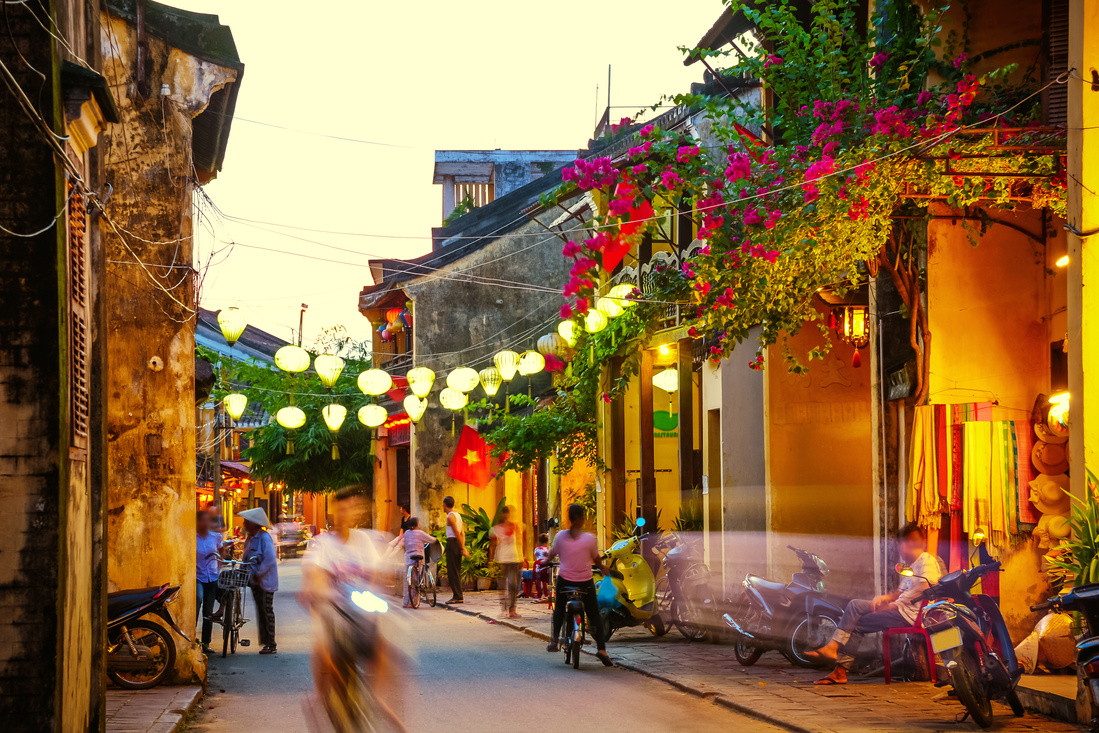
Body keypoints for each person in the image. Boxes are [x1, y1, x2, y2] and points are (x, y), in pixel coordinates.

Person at [300, 486, 405, 731]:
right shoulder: (321, 544)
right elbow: (313, 574)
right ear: (334, 511)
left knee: (385, 645)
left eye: (353, 508)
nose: (348, 513)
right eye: (343, 508)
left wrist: (384, 577)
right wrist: (315, 588)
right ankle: (320, 697)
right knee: (324, 647)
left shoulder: (365, 540)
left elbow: (378, 571)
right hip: (331, 608)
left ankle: (379, 698)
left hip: (359, 609)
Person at [809, 522, 942, 684]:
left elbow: (927, 585)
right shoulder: (911, 566)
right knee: (855, 608)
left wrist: (896, 604)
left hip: (908, 614)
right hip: (899, 609)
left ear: (908, 544)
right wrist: (884, 599)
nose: (899, 550)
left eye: (900, 545)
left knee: (857, 620)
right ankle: (834, 652)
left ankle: (838, 664)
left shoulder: (926, 560)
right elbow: (899, 593)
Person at [547, 504, 613, 667]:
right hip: (585, 583)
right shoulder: (590, 539)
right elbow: (597, 560)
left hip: (565, 581)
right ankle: (602, 649)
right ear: (582, 519)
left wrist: (545, 562)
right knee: (593, 613)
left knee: (559, 609)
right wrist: (604, 569)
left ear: (570, 518)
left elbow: (551, 554)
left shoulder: (560, 536)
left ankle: (555, 640)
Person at [239, 507, 279, 655]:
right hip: (254, 580)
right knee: (261, 611)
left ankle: (271, 643)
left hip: (265, 581)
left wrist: (260, 574)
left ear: (253, 523)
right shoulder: (250, 538)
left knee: (267, 610)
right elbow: (246, 557)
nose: (244, 524)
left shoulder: (264, 537)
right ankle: (266, 642)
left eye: (246, 522)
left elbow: (269, 559)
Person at [195, 509, 225, 653]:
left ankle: (206, 643)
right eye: (203, 520)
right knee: (198, 598)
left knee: (208, 611)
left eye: (208, 520)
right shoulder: (192, 537)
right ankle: (191, 639)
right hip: (198, 575)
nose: (206, 523)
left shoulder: (215, 536)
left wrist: (220, 562)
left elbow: (221, 550)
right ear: (198, 522)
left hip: (212, 576)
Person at [394, 517, 438, 608]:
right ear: (417, 525)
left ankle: (405, 603)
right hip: (419, 558)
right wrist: (435, 538)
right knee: (416, 580)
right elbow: (432, 540)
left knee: (408, 581)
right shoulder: (420, 533)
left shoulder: (406, 533)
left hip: (408, 558)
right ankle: (413, 602)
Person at [490, 505, 523, 618]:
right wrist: (491, 560)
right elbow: (492, 545)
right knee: (503, 585)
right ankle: (503, 607)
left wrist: (522, 557)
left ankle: (512, 609)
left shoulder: (515, 526)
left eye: (508, 513)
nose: (506, 515)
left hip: (514, 558)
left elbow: (519, 542)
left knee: (513, 584)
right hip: (503, 558)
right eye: (504, 513)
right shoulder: (496, 528)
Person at [443, 496, 469, 604]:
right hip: (457, 543)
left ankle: (457, 596)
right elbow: (462, 533)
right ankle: (458, 595)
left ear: (444, 505)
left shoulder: (450, 517)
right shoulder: (458, 515)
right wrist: (462, 546)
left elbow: (457, 533)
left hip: (453, 543)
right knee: (456, 570)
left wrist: (462, 547)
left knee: (452, 571)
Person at [532, 533, 551, 599]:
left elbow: (536, 559)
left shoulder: (537, 549)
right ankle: (547, 593)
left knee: (538, 579)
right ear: (547, 541)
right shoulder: (550, 549)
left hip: (538, 571)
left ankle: (539, 593)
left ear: (539, 541)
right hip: (547, 570)